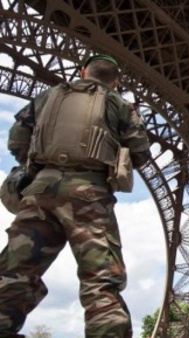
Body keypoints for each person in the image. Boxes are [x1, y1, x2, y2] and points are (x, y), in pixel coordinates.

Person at [0, 54, 151, 338]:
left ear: (83, 72)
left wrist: (42, 166)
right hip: (88, 195)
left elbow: (17, 139)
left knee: (15, 272)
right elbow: (140, 152)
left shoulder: (48, 96)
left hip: (40, 191)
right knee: (100, 279)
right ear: (116, 81)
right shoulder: (120, 104)